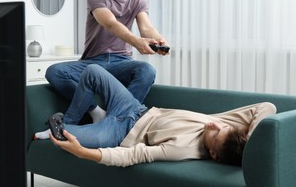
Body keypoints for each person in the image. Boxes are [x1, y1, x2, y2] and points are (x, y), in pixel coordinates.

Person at [36, 64, 277, 167]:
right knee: (93, 72)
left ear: (213, 154)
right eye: (220, 126)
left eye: (215, 134)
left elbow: (134, 155)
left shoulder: (183, 150)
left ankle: (68, 128)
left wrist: (84, 153)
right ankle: (79, 119)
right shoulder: (229, 128)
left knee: (61, 138)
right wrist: (253, 142)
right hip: (135, 109)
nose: (213, 124)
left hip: (120, 134)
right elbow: (267, 107)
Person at [45, 0, 169, 123]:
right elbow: (110, 23)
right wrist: (136, 42)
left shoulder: (138, 1)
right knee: (55, 72)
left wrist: (159, 40)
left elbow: (147, 28)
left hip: (122, 62)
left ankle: (117, 120)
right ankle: (96, 111)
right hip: (93, 62)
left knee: (147, 71)